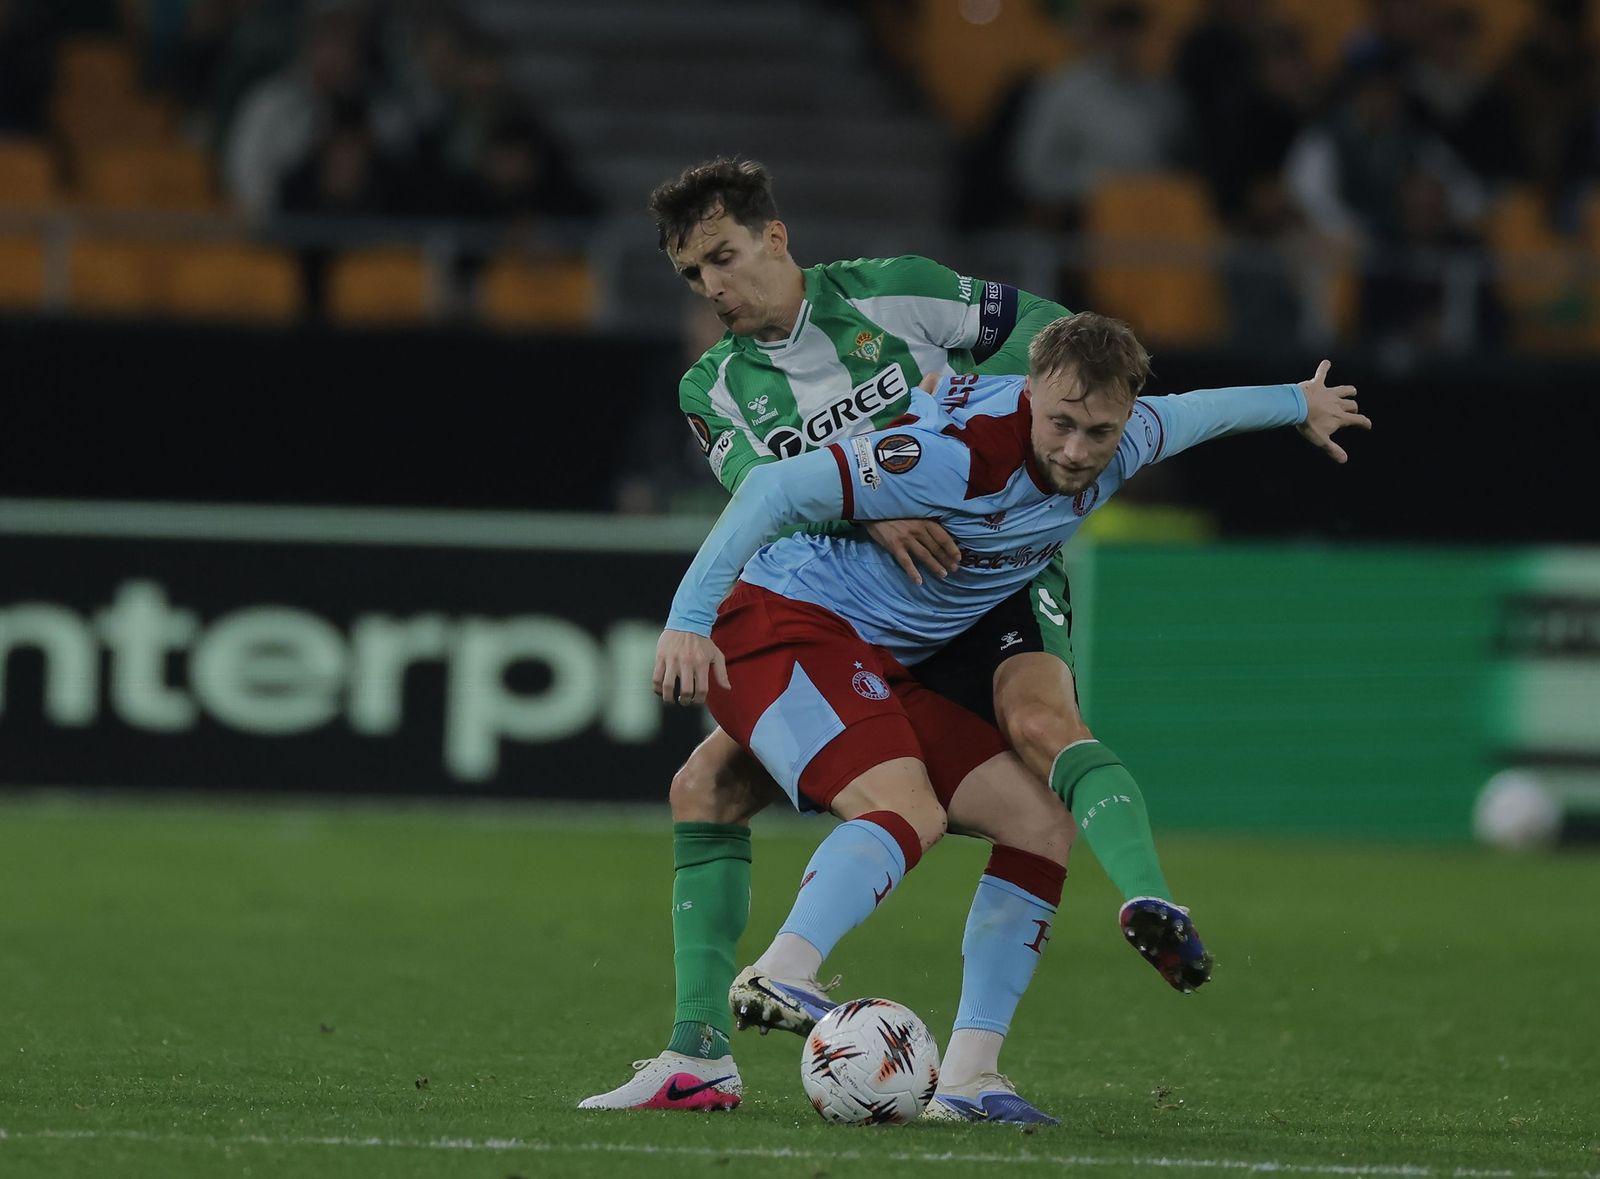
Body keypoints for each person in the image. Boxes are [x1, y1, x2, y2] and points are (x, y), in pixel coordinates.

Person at [579, 159, 1197, 1119]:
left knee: (1039, 762)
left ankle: (969, 1071)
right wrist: (882, 505)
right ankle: (699, 1054)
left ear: (775, 239)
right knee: (708, 784)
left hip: (983, 579)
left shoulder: (893, 290)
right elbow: (769, 498)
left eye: (724, 258)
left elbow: (1050, 339)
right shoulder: (715, 387)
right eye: (694, 275)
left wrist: (980, 442)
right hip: (853, 609)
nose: (713, 288)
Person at [653, 314, 1367, 1120]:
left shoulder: (1133, 436)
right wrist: (687, 617)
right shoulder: (950, 455)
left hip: (888, 655)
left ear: (1131, 414)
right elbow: (775, 488)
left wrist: (1298, 402)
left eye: (1099, 430)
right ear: (1028, 393)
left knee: (1040, 821)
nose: (1075, 449)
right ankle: (783, 967)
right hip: (792, 620)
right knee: (902, 808)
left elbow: (1208, 408)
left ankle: (967, 1080)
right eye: (1059, 422)